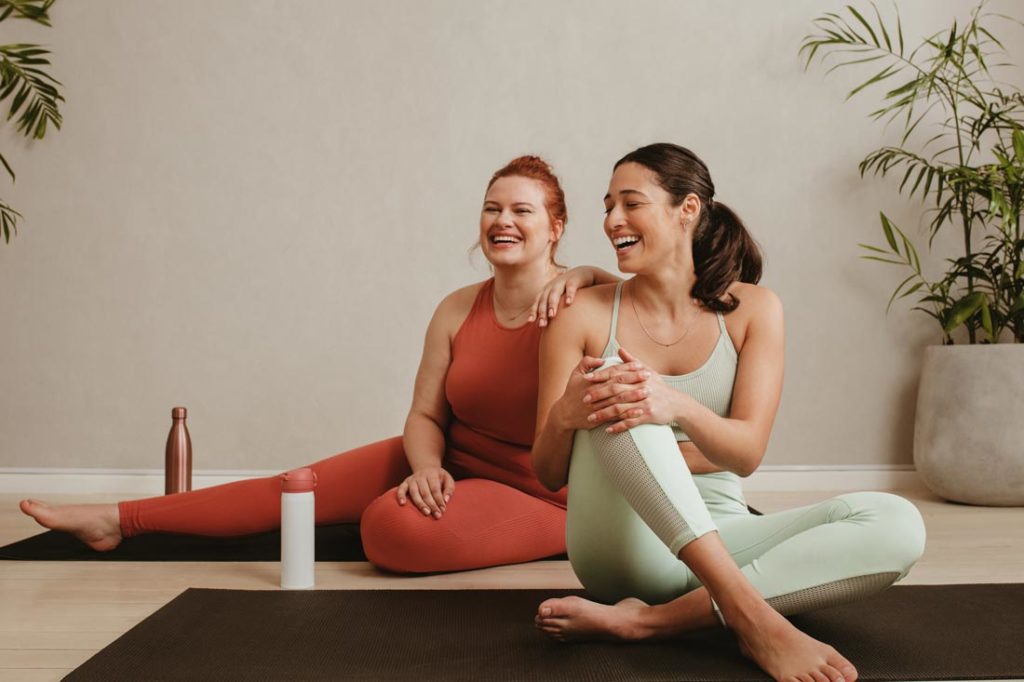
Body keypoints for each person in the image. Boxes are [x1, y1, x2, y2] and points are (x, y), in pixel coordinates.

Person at [19, 155, 614, 574]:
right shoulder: (457, 308)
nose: (502, 221)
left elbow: (641, 306)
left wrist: (591, 271)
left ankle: (540, 538)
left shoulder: (581, 301)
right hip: (455, 458)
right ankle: (116, 520)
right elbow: (425, 414)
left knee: (388, 530)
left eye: (522, 211)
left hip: (542, 494)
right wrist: (427, 466)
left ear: (555, 227)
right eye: (491, 208)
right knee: (294, 488)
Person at [530, 143, 926, 682]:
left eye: (630, 203)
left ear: (687, 209)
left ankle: (651, 623)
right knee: (625, 398)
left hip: (725, 533)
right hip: (621, 545)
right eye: (607, 207)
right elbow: (548, 471)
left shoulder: (755, 310)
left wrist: (678, 407)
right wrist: (566, 419)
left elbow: (745, 455)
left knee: (897, 524)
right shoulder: (581, 312)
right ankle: (752, 617)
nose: (611, 220)